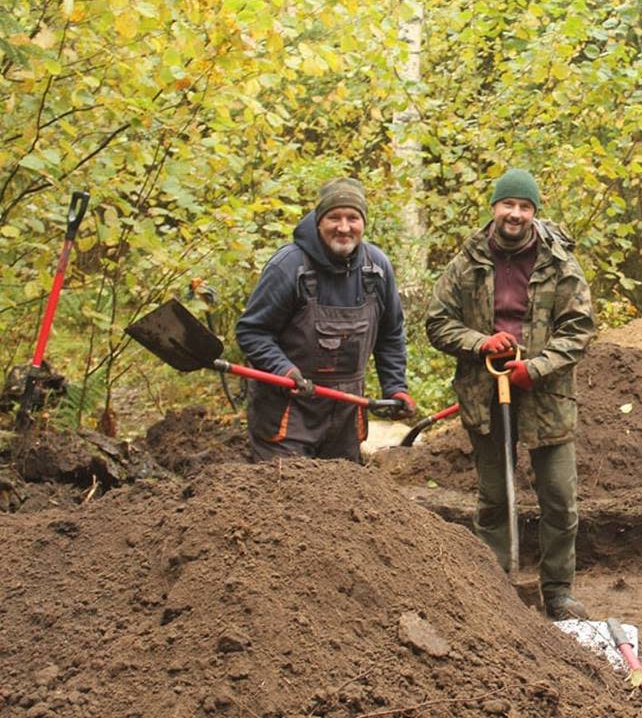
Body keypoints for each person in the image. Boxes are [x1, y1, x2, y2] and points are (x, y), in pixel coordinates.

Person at [425, 168, 596, 621]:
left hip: (547, 395)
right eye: (508, 205)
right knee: (495, 496)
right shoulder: (467, 262)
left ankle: (557, 591)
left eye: (524, 206)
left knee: (559, 496)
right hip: (486, 392)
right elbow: (437, 322)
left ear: (534, 212)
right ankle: (495, 589)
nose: (515, 214)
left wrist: (535, 368)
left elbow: (579, 329)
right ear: (494, 208)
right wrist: (481, 342)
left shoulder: (560, 263)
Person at [236, 178, 416, 463]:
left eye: (353, 218)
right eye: (334, 217)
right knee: (288, 497)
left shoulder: (377, 269)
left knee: (344, 502)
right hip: (288, 414)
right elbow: (252, 332)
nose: (344, 227)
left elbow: (390, 335)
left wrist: (395, 386)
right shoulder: (289, 266)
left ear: (363, 223)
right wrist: (283, 369)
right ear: (319, 221)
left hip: (345, 416)